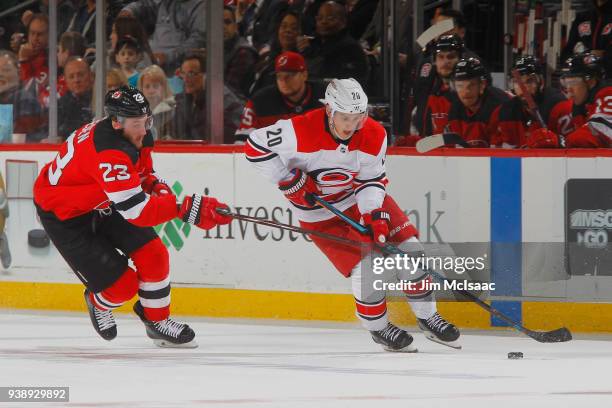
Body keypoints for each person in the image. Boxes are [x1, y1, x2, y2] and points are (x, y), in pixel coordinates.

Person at [245, 78, 461, 351]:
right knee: (367, 266)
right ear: (329, 111)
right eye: (345, 118)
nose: (351, 125)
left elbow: (371, 179)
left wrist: (373, 214)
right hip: (318, 214)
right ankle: (379, 328)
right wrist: (289, 181)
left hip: (358, 200)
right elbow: (254, 146)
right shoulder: (297, 131)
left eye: (358, 118)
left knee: (411, 250)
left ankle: (428, 317)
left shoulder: (373, 134)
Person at [32, 86, 232, 347]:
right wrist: (186, 208)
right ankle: (97, 302)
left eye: (146, 120)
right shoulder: (109, 153)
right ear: (116, 122)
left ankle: (157, 321)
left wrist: (157, 186)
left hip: (103, 200)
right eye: (136, 123)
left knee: (154, 254)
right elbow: (138, 212)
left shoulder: (133, 135)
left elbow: (142, 173)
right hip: (65, 216)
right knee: (122, 287)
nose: (144, 130)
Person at [235, 51, 325, 141]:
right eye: (279, 76)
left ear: (304, 75)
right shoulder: (259, 102)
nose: (283, 81)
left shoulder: (327, 96)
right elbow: (241, 142)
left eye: (289, 76)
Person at [498, 56, 574, 148]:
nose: (524, 88)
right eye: (518, 82)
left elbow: (574, 149)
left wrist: (558, 142)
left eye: (529, 81)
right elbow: (507, 154)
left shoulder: (560, 106)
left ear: (541, 82)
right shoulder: (507, 111)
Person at [445, 57, 510, 147]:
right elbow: (453, 149)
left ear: (482, 85)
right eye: (460, 86)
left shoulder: (499, 106)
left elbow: (501, 153)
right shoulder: (455, 108)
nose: (466, 91)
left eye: (471, 85)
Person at [560, 52, 611, 148]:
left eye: (573, 82)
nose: (568, 89)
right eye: (565, 83)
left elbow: (599, 132)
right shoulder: (579, 105)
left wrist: (562, 143)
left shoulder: (608, 94)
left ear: (591, 81)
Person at [57, 57, 93, 139]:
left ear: (91, 75)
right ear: (65, 80)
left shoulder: (100, 99)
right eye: (71, 76)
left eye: (80, 75)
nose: (76, 80)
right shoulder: (59, 105)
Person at [138, 65, 176, 140]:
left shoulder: (172, 109)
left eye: (155, 86)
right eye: (147, 86)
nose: (151, 91)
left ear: (164, 87)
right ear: (141, 88)